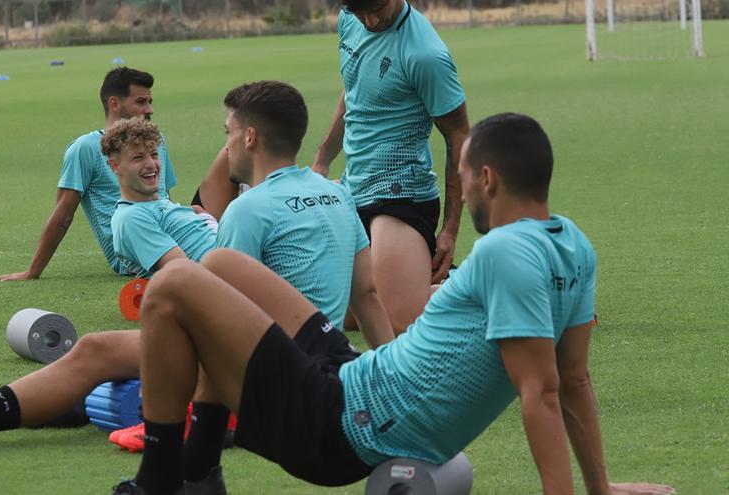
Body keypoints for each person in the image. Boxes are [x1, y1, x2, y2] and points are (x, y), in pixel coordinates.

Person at [114, 113, 676, 495]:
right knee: (220, 267)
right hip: (356, 377)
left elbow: (545, 393)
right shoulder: (572, 243)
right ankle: (201, 472)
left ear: (487, 178)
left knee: (170, 287)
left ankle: (161, 480)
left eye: (462, 178)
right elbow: (574, 380)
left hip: (340, 426)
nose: (463, 191)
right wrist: (600, 489)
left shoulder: (504, 251)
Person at [0, 84, 393, 458]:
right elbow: (367, 295)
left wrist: (187, 417)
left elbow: (220, 313)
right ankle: (12, 413)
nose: (225, 142)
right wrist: (388, 382)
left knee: (94, 351)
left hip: (266, 370)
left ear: (249, 138)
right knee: (104, 361)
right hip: (319, 359)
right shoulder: (335, 193)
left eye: (229, 131)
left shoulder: (249, 210)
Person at [311, 0, 470, 334]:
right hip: (353, 190)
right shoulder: (349, 18)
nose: (369, 20)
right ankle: (449, 281)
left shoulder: (425, 55)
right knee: (330, 312)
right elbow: (353, 90)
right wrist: (322, 161)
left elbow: (458, 136)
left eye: (376, 9)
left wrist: (451, 229)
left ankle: (513, 291)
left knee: (399, 321)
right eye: (359, 12)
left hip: (401, 194)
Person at [0, 67, 178, 281]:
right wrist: (32, 272)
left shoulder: (156, 140)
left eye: (150, 102)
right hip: (134, 250)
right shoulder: (87, 148)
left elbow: (165, 196)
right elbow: (63, 214)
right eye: (140, 102)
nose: (149, 109)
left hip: (169, 229)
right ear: (114, 104)